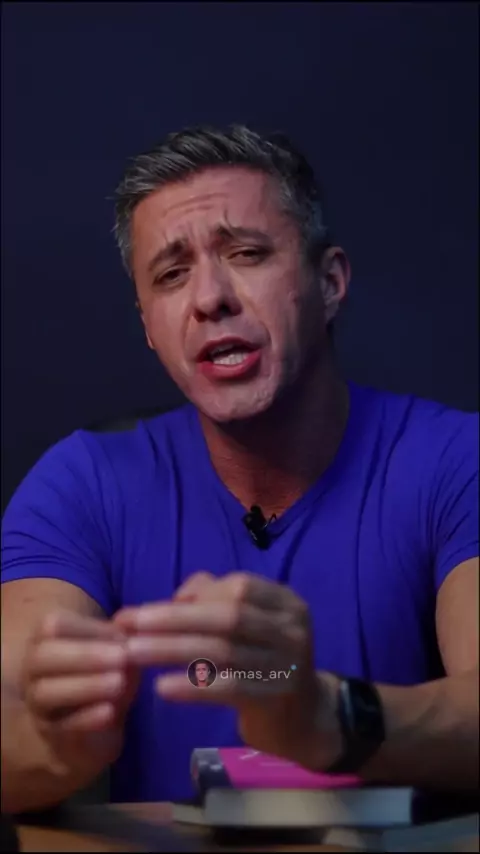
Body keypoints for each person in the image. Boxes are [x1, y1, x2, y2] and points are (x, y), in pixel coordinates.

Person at [1, 125, 478, 813]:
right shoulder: (80, 485)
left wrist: (325, 713)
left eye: (247, 253)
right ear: (149, 325)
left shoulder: (457, 461)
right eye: (171, 275)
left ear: (330, 282)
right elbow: (10, 711)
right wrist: (55, 748)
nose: (209, 298)